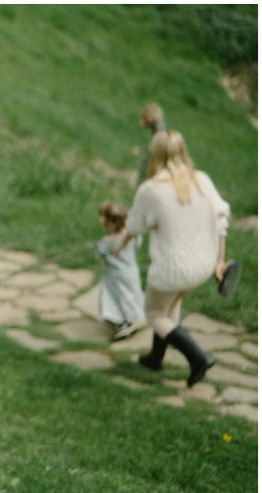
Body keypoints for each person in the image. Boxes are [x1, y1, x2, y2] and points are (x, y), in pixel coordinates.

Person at [119, 130, 231, 387]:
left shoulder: (151, 189)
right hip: (203, 265)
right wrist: (220, 261)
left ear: (154, 155)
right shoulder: (201, 179)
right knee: (169, 308)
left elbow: (134, 225)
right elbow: (221, 220)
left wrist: (121, 243)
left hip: (171, 271)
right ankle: (155, 359)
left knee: (155, 314)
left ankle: (198, 358)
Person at [96, 201, 147, 341]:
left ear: (110, 224)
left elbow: (101, 253)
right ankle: (137, 316)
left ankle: (125, 321)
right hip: (131, 271)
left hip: (116, 276)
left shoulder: (107, 241)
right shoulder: (132, 236)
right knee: (132, 294)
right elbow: (138, 244)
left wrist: (97, 246)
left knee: (119, 297)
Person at [136, 102, 166, 187]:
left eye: (144, 116)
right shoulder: (156, 127)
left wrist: (141, 149)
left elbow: (156, 145)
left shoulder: (159, 130)